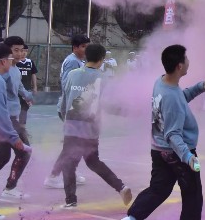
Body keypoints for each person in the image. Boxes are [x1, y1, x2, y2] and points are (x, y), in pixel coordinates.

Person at [123, 45, 205, 220]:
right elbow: (172, 134)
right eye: (186, 59)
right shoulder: (172, 98)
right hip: (178, 152)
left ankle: (132, 217)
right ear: (179, 66)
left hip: (158, 149)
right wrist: (188, 157)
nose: (189, 61)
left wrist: (198, 88)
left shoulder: (162, 82)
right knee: (192, 194)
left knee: (158, 189)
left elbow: (179, 98)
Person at [58, 44, 132, 209]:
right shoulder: (103, 78)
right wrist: (126, 112)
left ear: (85, 56)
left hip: (72, 126)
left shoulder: (72, 74)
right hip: (91, 129)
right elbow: (108, 105)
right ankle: (120, 187)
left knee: (68, 164)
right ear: (102, 60)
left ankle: (71, 200)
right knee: (93, 161)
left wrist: (65, 119)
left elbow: (65, 99)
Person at [45, 34, 90, 189]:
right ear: (75, 47)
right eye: (83, 46)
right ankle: (53, 176)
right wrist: (69, 110)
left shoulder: (80, 61)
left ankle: (70, 170)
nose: (86, 49)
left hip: (75, 108)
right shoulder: (72, 62)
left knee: (77, 144)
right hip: (70, 109)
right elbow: (67, 85)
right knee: (71, 145)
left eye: (87, 46)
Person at [0, 44, 32, 220]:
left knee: (1, 159)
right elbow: (0, 114)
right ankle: (9, 187)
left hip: (5, 124)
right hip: (8, 122)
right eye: (11, 56)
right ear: (3, 61)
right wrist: (13, 137)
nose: (17, 56)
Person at [15, 44, 36, 125]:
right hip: (17, 89)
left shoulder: (30, 62)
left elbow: (33, 74)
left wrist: (35, 86)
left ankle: (22, 124)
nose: (24, 53)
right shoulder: (16, 62)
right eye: (22, 51)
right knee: (15, 106)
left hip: (27, 89)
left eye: (26, 51)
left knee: (25, 107)